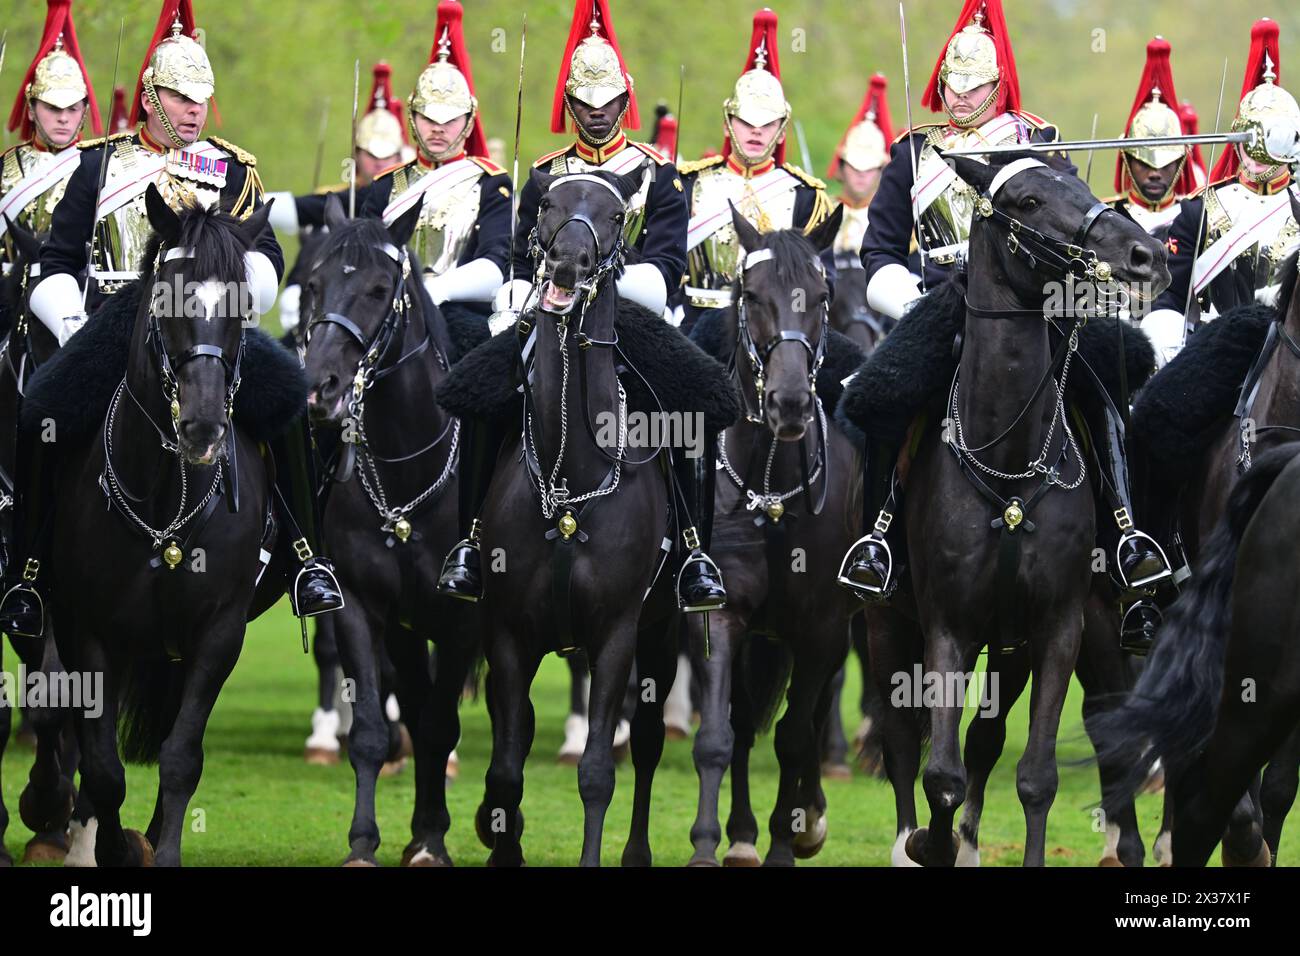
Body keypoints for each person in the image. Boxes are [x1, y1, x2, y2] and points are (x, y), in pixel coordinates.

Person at [0, 0, 342, 638]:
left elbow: (264, 253)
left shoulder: (234, 168)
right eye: (182, 98)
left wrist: (238, 303)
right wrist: (73, 325)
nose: (194, 110)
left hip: (209, 323)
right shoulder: (97, 164)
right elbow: (56, 260)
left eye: (202, 98)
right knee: (42, 409)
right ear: (152, 97)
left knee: (288, 400)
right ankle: (30, 572)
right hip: (114, 320)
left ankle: (306, 558)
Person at [837, 0, 1171, 652]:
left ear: (999, 85)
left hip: (1031, 307)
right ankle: (877, 540)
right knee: (877, 397)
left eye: (976, 87)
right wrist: (904, 294)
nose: (962, 98)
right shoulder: (914, 153)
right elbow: (880, 252)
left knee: (1100, 382)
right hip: (938, 303)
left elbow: (1079, 221)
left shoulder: (1037, 144)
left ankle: (1124, 535)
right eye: (953, 86)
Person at [436, 0, 728, 616]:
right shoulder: (545, 174)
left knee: (683, 412)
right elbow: (518, 258)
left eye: (607, 105)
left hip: (631, 320)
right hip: (549, 315)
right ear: (569, 104)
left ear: (625, 101)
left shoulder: (657, 174)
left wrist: (614, 286)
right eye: (585, 105)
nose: (596, 117)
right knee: (482, 397)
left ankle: (695, 549)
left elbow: (669, 264)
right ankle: (470, 541)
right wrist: (519, 294)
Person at [1142, 18, 1300, 367]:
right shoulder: (1200, 211)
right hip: (1216, 357)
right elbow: (1169, 293)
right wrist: (1167, 342)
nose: (1255, 160)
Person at [676, 7, 835, 335]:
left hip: (776, 331)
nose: (756, 131)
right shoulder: (690, 182)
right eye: (746, 122)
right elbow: (667, 262)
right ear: (727, 123)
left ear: (781, 128)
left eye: (767, 124)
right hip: (693, 326)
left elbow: (820, 282)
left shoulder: (806, 197)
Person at [0, 0, 101, 274]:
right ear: (31, 110)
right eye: (53, 108)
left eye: (72, 108)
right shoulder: (4, 168)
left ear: (85, 110)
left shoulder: (100, 165)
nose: (64, 118)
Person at [1106, 37, 1198, 245]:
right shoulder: (1109, 217)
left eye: (1166, 164)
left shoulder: (1198, 219)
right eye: (1144, 163)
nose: (1155, 173)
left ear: (1180, 162)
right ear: (1127, 159)